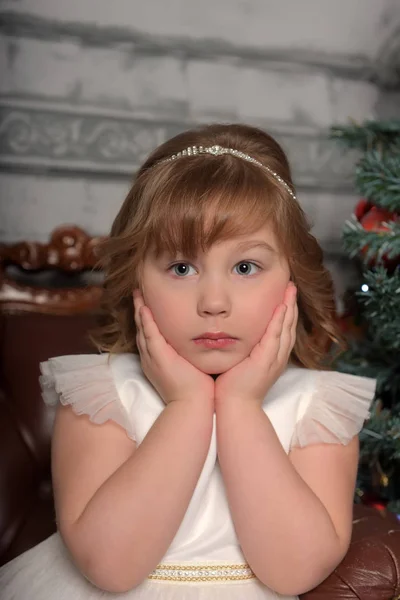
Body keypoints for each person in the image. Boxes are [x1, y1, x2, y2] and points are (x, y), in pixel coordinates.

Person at [0, 123, 376, 599]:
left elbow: (294, 570)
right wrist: (186, 404)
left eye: (245, 267)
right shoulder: (100, 395)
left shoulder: (317, 406)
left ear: (292, 280)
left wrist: (240, 405)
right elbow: (111, 567)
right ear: (135, 280)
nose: (213, 302)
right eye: (181, 268)